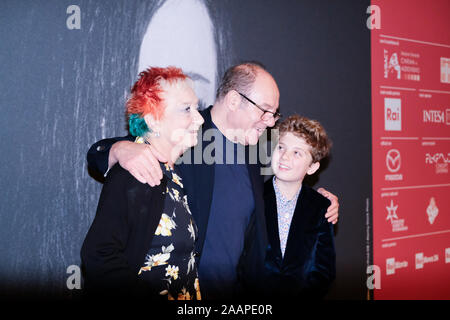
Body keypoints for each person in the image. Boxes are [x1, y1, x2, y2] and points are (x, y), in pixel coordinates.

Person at [86, 62, 339, 299]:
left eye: (274, 114)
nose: (271, 122)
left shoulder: (257, 152)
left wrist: (317, 203)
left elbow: (276, 196)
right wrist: (118, 149)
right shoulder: (187, 136)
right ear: (233, 101)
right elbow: (140, 144)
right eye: (265, 111)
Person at [81, 66, 204, 300]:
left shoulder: (173, 174)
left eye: (196, 108)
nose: (198, 119)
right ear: (153, 121)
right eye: (187, 109)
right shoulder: (134, 173)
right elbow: (99, 255)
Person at [264, 115, 335, 299]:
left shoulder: (320, 207)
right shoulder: (254, 196)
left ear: (312, 167)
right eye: (281, 147)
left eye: (297, 153)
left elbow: (323, 270)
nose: (285, 156)